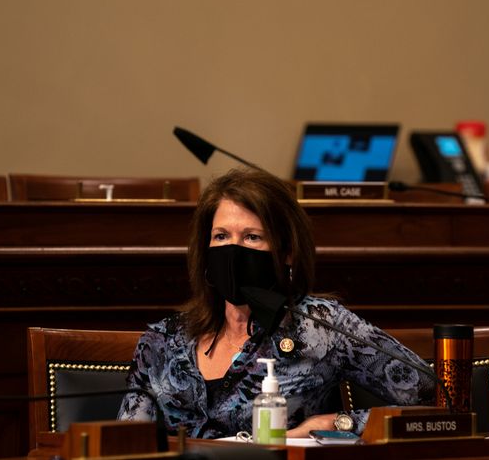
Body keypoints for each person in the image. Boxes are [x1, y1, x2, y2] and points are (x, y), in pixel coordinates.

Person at [118, 167, 434, 438]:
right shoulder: (163, 340)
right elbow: (126, 441)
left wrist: (340, 423)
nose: (233, 251)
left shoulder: (321, 326)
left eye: (252, 237)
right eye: (221, 236)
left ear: (286, 252)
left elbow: (434, 400)